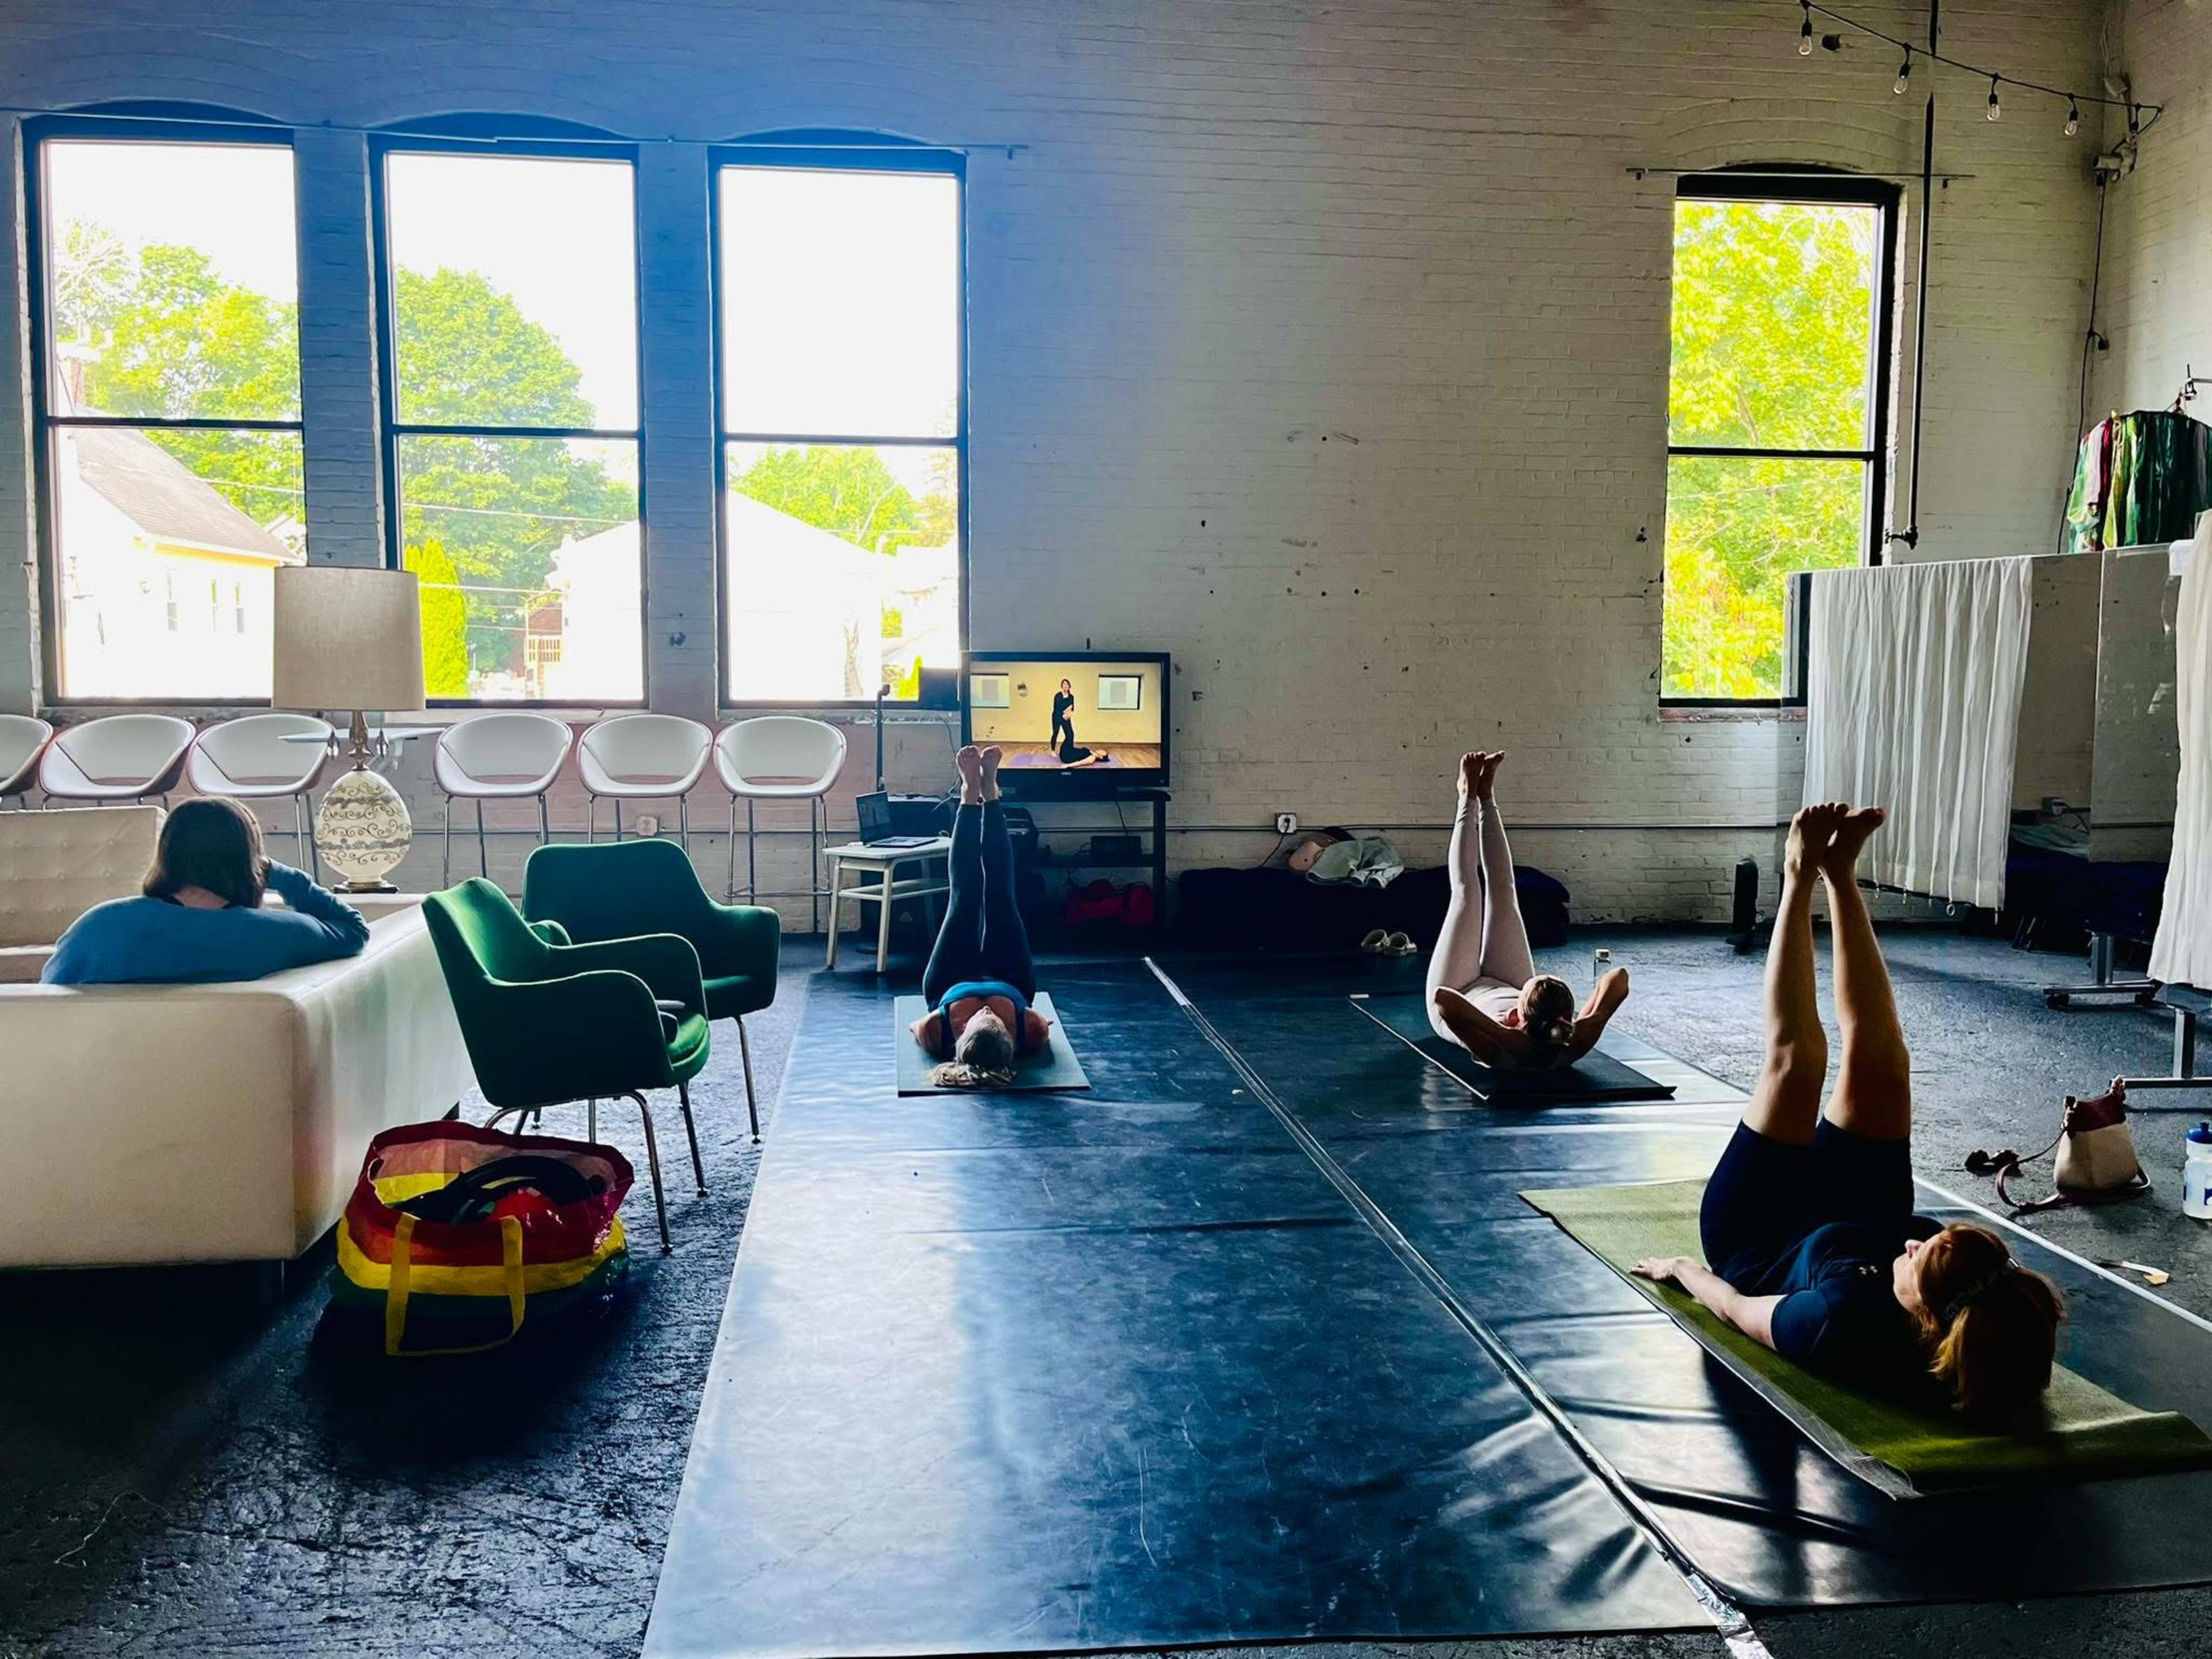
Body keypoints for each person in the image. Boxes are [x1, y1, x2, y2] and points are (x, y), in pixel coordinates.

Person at [1632, 802, 2065, 1420]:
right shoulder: (1990, 1306)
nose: (1918, 1243)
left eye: (1922, 1257)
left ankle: (1799, 874)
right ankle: (1840, 872)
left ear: (1922, 1317)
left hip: (1761, 1233)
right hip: (1860, 1217)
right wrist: (1928, 1252)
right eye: (1932, 1242)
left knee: (1797, 1060)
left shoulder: (1835, 1323)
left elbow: (1733, 1307)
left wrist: (1681, 1269)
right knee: (1884, 1059)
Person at [1427, 751, 1626, 1068]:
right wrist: (1594, 1021)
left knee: (1468, 895)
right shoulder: (1572, 1044)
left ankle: (1466, 796)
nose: (1527, 983)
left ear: (1519, 1014)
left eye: (1528, 986)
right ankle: (1488, 797)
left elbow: (1443, 1000)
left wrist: (1508, 1037)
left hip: (1461, 988)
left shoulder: (1498, 1051)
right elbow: (1619, 977)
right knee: (1505, 894)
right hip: (1506, 989)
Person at [43, 795, 372, 986]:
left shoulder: (102, 925)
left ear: (167, 852)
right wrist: (275, 873)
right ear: (249, 859)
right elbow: (353, 928)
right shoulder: (272, 933)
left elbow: (48, 999)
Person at [908, 745, 1055, 1086]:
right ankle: (991, 794)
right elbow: (1045, 1026)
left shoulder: (935, 1031)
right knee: (1001, 895)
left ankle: (967, 796)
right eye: (996, 1021)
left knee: (965, 897)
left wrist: (924, 1025)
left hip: (950, 980)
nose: (987, 1012)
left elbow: (914, 1026)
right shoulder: (1030, 1031)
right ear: (1011, 1037)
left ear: (960, 1032)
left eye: (978, 1019)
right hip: (1011, 978)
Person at [1050, 678, 1075, 752]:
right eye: (1064, 684)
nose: (1066, 686)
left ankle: (1070, 749)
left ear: (1069, 686)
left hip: (1066, 717)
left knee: (1070, 734)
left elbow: (1072, 708)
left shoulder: (1071, 697)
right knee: (1055, 733)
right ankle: (1053, 750)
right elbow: (1057, 708)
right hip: (1057, 717)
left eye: (1067, 684)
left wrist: (1066, 713)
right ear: (1062, 686)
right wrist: (1064, 712)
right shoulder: (1058, 696)